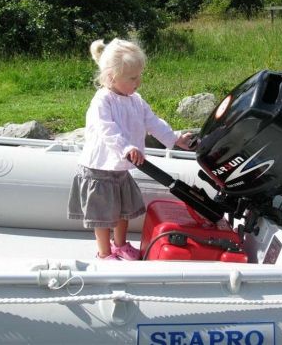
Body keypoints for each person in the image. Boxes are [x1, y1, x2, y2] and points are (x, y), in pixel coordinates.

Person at [68, 38, 194, 260]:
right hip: (99, 168)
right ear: (111, 77)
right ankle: (104, 253)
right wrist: (126, 147)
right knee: (104, 215)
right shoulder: (102, 101)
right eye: (133, 78)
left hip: (120, 167)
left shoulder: (135, 100)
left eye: (139, 76)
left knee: (123, 211)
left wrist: (174, 139)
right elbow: (108, 130)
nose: (139, 82)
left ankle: (120, 245)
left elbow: (153, 122)